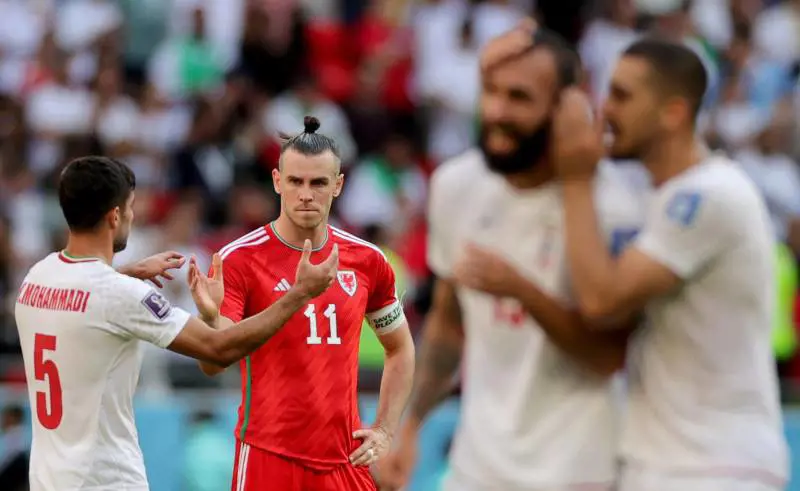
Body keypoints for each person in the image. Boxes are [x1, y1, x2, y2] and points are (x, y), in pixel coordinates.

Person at [379, 25, 645, 491]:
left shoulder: (612, 206)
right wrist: (411, 426)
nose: (497, 112)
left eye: (519, 97)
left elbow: (606, 356)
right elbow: (448, 325)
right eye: (491, 92)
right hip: (476, 468)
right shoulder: (456, 185)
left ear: (567, 108)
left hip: (580, 472)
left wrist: (521, 290)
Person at [14, 155, 338, 491]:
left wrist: (126, 273)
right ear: (115, 216)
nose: (133, 216)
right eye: (131, 207)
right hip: (105, 481)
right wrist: (299, 294)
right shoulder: (120, 295)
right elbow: (219, 348)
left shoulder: (38, 276)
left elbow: (86, 292)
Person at [551, 39, 788, 490]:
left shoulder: (709, 195)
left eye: (622, 95)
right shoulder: (663, 197)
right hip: (666, 461)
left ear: (673, 113)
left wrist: (576, 177)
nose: (605, 108)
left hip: (714, 466)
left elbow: (600, 302)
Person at [196, 116, 415, 491]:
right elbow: (213, 364)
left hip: (345, 461)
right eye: (295, 181)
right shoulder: (239, 260)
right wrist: (209, 318)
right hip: (268, 456)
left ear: (338, 185)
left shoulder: (367, 260)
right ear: (277, 181)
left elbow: (401, 348)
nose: (306, 194)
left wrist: (384, 429)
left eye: (318, 183)